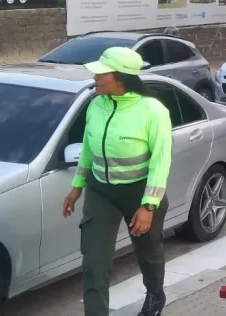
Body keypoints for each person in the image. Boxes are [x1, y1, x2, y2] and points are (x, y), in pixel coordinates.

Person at [62, 46, 173, 316]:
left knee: (148, 253)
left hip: (139, 193)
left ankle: (155, 295)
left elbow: (161, 161)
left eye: (101, 73)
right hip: (101, 192)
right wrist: (77, 186)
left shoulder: (152, 110)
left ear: (120, 77)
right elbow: (88, 148)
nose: (95, 77)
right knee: (94, 263)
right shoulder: (95, 104)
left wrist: (149, 206)